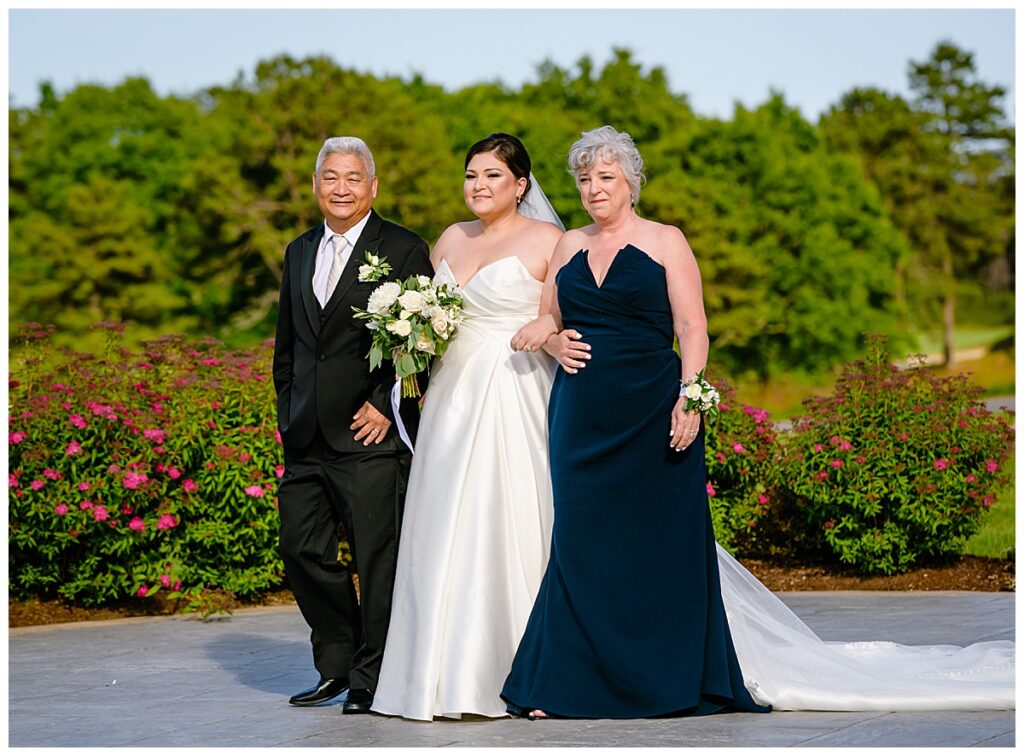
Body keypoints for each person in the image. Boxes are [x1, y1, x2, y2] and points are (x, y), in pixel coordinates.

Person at [500, 125, 1014, 719]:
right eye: (585, 179)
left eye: (606, 177)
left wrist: (691, 394)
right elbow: (548, 316)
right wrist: (552, 340)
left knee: (660, 544)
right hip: (581, 415)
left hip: (652, 410)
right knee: (581, 543)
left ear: (631, 182)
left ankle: (662, 679)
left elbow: (692, 327)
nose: (593, 189)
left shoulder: (666, 240)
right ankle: (566, 681)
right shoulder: (567, 247)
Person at [371, 133, 564, 720]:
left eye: (493, 176)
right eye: (471, 175)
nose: (478, 186)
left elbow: (559, 315)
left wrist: (550, 330)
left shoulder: (551, 241)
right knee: (442, 522)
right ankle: (430, 676)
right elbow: (429, 318)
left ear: (521, 184)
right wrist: (407, 338)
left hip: (514, 389)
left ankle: (524, 669)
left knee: (508, 515)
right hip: (451, 396)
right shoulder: (452, 238)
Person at [273, 136, 433, 714]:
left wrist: (386, 407)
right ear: (316, 185)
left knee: (377, 559)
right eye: (330, 177)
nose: (341, 188)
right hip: (305, 435)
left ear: (372, 186)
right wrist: (288, 408)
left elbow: (424, 340)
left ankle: (372, 676)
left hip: (369, 435)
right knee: (301, 549)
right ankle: (336, 664)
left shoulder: (404, 248)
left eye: (353, 178)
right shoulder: (297, 251)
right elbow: (289, 346)